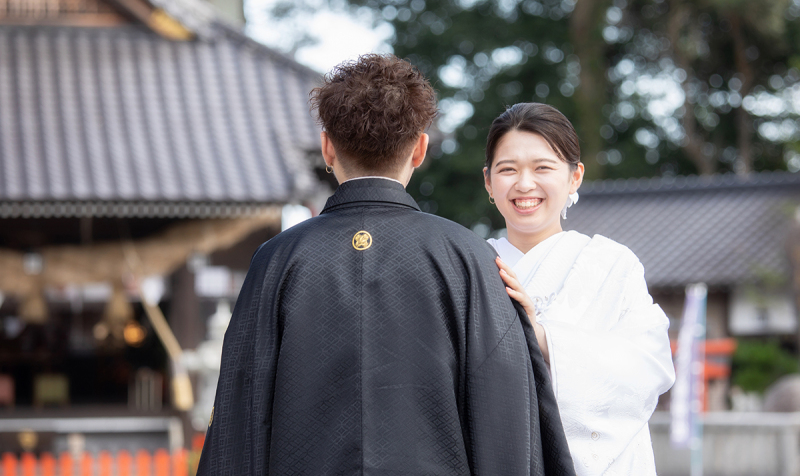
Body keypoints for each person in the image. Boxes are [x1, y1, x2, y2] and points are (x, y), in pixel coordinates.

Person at [197, 56, 575, 475]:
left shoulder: (277, 260)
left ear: (327, 147)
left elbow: (240, 410)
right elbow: (504, 414)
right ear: (420, 149)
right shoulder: (470, 258)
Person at [483, 102, 675, 476]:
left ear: (575, 176)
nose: (524, 184)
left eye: (543, 168)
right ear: (489, 181)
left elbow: (647, 368)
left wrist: (541, 338)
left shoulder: (610, 266)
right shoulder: (469, 265)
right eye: (508, 170)